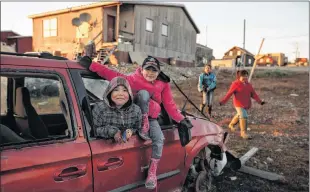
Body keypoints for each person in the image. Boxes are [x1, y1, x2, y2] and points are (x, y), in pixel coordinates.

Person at [78, 56, 193, 189]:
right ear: (141, 69)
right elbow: (111, 74)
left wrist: (181, 119)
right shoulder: (133, 79)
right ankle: (142, 123)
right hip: (135, 115)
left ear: (158, 72)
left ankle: (152, 172)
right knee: (143, 94)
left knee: (159, 139)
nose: (150, 73)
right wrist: (92, 65)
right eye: (147, 69)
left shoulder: (163, 84)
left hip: (152, 118)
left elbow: (169, 104)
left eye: (154, 71)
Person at [92, 76, 142, 143]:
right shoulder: (100, 108)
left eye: (125, 90)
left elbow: (138, 128)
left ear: (129, 93)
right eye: (116, 90)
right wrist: (113, 132)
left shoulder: (136, 110)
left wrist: (130, 131)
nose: (120, 94)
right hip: (105, 149)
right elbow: (94, 130)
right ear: (109, 92)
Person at [219, 70, 265, 139]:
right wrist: (223, 101)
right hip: (238, 104)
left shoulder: (248, 84)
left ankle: (231, 124)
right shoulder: (235, 84)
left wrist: (260, 101)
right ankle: (243, 133)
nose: (245, 77)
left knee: (239, 114)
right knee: (244, 115)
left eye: (246, 76)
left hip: (246, 104)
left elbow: (253, 94)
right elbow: (229, 93)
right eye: (243, 76)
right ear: (239, 76)